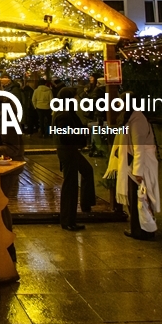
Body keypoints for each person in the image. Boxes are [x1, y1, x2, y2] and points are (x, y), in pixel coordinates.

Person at [105, 95, 160, 240]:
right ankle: (140, 229)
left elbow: (139, 148)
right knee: (136, 198)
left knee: (139, 198)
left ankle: (142, 230)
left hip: (139, 165)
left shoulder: (137, 120)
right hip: (133, 164)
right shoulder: (132, 117)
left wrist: (137, 171)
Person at [0, 98, 25, 262]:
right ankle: (6, 248)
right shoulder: (1, 118)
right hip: (2, 169)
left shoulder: (6, 120)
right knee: (0, 206)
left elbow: (12, 148)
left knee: (0, 206)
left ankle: (7, 248)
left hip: (7, 170)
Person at [53, 87, 94, 231]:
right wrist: (81, 133)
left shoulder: (66, 112)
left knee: (86, 171)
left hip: (70, 150)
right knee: (70, 186)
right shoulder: (64, 114)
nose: (77, 98)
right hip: (68, 151)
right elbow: (64, 136)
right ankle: (68, 221)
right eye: (75, 96)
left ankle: (84, 205)